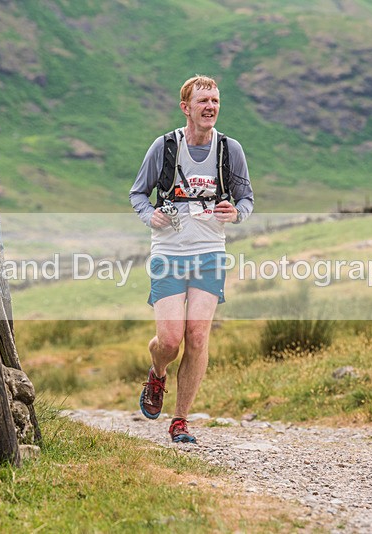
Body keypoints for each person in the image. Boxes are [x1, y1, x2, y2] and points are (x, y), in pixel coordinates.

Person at [129, 75, 254, 443]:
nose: (210, 107)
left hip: (210, 252)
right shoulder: (165, 147)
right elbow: (138, 194)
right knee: (169, 340)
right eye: (203, 101)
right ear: (186, 107)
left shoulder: (230, 150)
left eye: (215, 100)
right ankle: (157, 373)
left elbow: (247, 199)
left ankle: (180, 420)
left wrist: (237, 213)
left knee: (197, 335)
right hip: (168, 252)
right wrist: (149, 214)